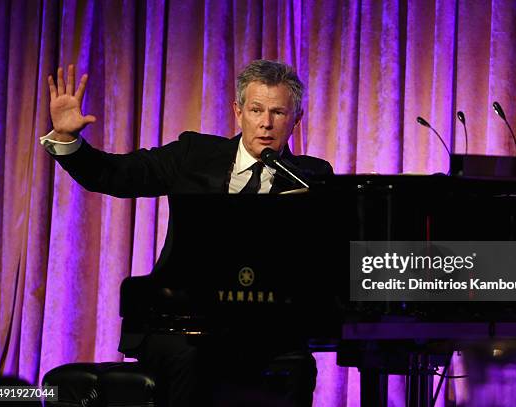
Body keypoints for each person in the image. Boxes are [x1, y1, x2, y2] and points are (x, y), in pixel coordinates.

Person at [41, 60, 334, 406]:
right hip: (179, 323)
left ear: (296, 120)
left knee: (299, 366)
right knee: (196, 358)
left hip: (265, 329)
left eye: (278, 113)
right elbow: (115, 175)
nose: (266, 123)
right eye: (256, 110)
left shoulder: (312, 176)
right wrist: (68, 139)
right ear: (238, 111)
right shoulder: (193, 156)